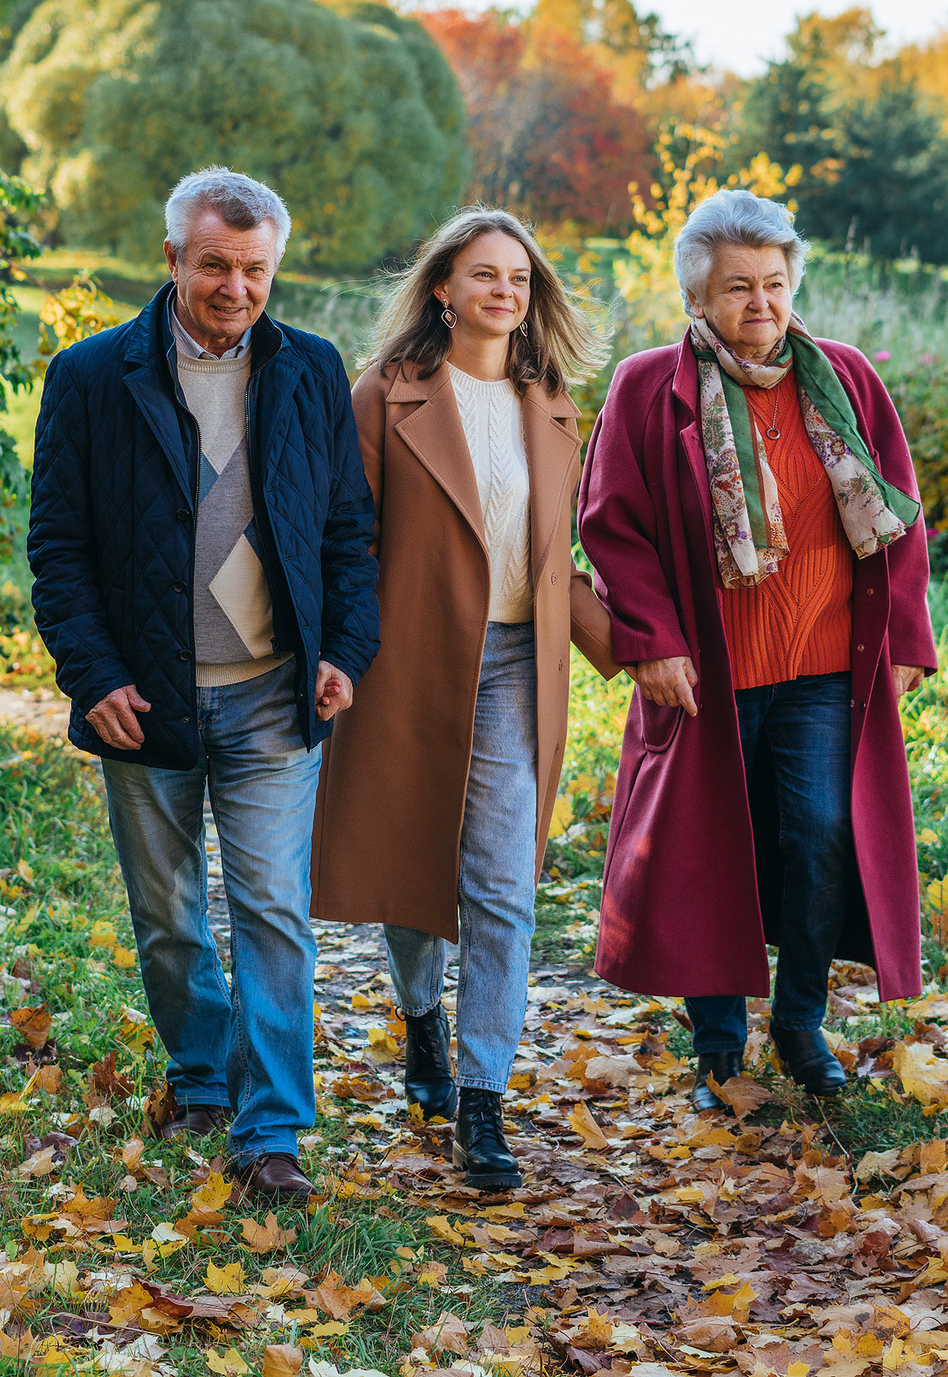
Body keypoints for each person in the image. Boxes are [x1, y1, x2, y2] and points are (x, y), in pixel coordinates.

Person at [26, 167, 380, 1201]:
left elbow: (347, 537)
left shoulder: (311, 371)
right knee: (171, 914)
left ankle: (272, 1130)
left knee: (272, 907)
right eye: (216, 264)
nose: (236, 287)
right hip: (146, 699)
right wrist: (91, 676)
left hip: (272, 692)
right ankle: (199, 1073)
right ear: (173, 257)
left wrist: (341, 652)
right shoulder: (93, 376)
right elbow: (61, 546)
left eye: (256, 268)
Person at [576, 189, 935, 1110]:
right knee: (711, 851)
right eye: (739, 287)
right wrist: (649, 641)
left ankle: (801, 1021)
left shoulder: (845, 376)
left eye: (775, 283)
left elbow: (897, 514)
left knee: (818, 835)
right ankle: (717, 1048)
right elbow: (614, 528)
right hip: (707, 670)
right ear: (698, 296)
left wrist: (901, 636)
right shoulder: (648, 385)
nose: (762, 304)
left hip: (823, 667)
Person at [313, 209, 615, 1192]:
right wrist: (339, 654)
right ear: (442, 286)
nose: (504, 293)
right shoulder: (385, 396)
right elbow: (345, 542)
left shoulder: (555, 402)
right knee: (412, 869)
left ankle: (482, 1102)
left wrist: (636, 646)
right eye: (484, 275)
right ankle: (418, 1023)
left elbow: (559, 558)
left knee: (498, 883)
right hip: (409, 664)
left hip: (516, 666)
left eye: (518, 280)